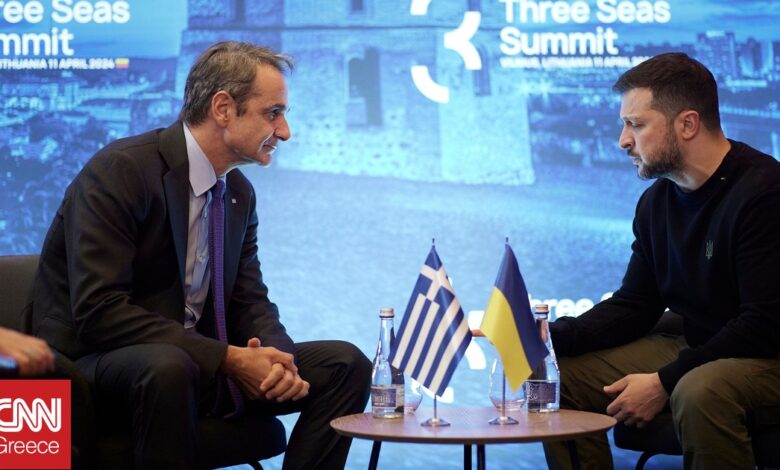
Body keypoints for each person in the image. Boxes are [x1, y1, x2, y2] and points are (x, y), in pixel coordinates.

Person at [30, 41, 372, 470]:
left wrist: (277, 359)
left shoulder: (238, 193)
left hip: (196, 365)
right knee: (169, 366)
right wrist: (229, 359)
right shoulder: (122, 170)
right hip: (95, 369)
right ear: (223, 108)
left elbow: (249, 300)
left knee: (345, 365)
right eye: (273, 113)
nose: (284, 131)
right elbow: (100, 312)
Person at [544, 52, 780, 470]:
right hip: (704, 347)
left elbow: (764, 324)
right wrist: (547, 338)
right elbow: (636, 304)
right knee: (555, 378)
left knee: (699, 389)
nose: (623, 140)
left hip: (768, 354)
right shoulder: (655, 203)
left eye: (636, 125)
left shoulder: (765, 194)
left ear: (687, 124)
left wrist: (664, 382)